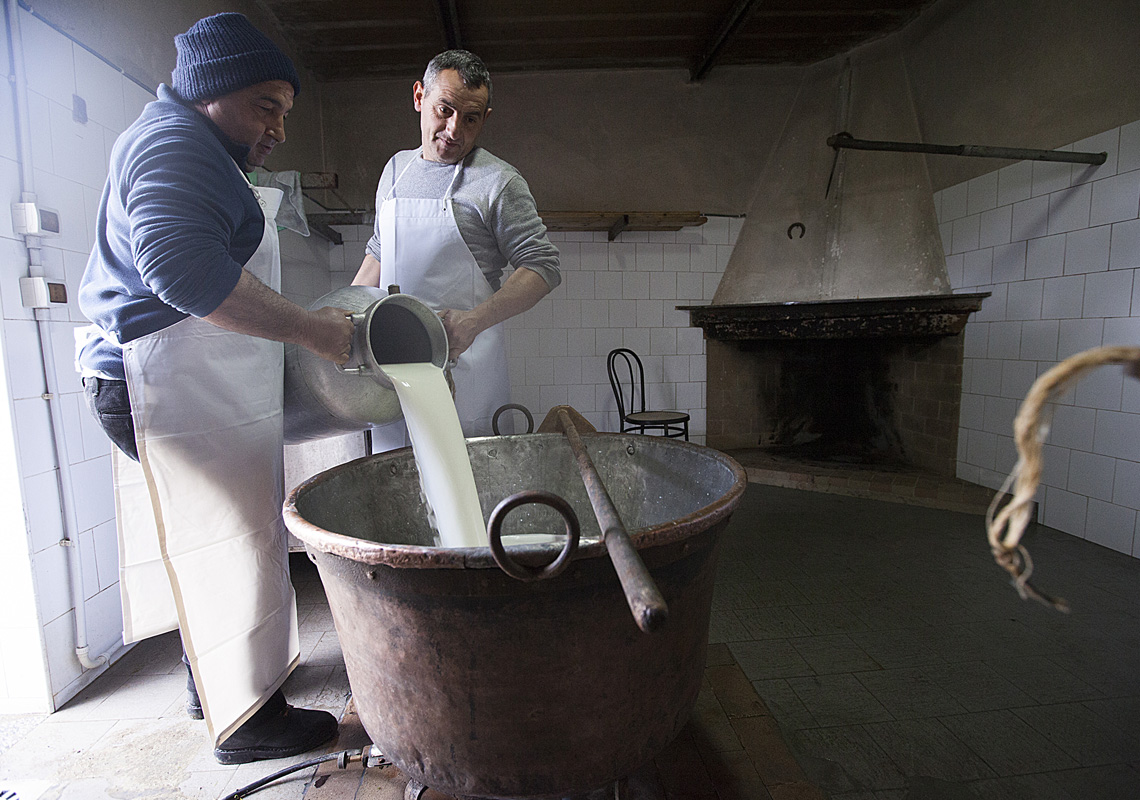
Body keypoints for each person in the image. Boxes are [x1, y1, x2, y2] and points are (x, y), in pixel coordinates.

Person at [75, 13, 354, 764]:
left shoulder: (195, 142)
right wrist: (314, 332)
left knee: (224, 533)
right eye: (266, 106)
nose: (279, 130)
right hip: (162, 376)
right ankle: (250, 722)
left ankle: (220, 682)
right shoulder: (174, 144)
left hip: (176, 371)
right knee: (234, 536)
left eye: (285, 112)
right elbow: (185, 275)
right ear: (210, 93)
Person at [351, 49, 560, 449]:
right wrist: (345, 316)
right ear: (419, 97)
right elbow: (378, 254)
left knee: (471, 493)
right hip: (393, 370)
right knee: (395, 483)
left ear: (486, 118)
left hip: (464, 375)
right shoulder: (395, 171)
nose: (453, 130)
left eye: (470, 118)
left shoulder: (498, 182)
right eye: (444, 110)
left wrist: (473, 322)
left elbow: (542, 266)